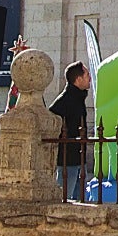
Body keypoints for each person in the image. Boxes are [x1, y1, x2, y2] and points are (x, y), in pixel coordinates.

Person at [48, 61, 91, 199]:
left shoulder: (79, 98)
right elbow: (50, 119)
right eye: (87, 75)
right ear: (78, 79)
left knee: (80, 201)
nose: (89, 78)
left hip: (79, 158)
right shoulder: (64, 100)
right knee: (63, 199)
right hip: (67, 159)